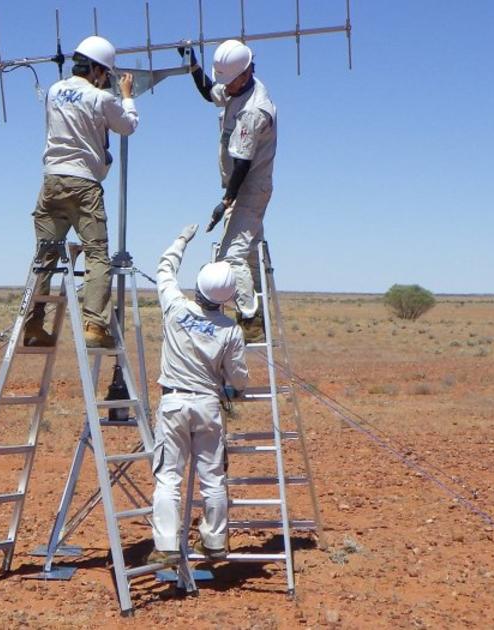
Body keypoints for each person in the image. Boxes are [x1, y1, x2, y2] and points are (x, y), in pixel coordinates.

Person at [24, 36, 137, 349]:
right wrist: (126, 96)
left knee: (45, 255)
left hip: (51, 181)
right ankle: (94, 326)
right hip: (84, 183)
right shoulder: (101, 99)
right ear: (99, 70)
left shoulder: (54, 91)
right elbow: (127, 126)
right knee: (97, 252)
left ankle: (33, 322)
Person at [148, 224, 249, 565]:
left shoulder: (176, 307)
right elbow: (238, 378)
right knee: (212, 477)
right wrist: (230, 386)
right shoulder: (231, 330)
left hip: (174, 401)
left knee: (168, 477)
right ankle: (215, 542)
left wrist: (181, 240)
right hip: (207, 406)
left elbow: (164, 268)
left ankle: (165, 546)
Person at [181, 40, 277, 343]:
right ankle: (256, 317)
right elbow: (210, 92)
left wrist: (226, 201)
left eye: (229, 81)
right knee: (247, 259)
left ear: (245, 74)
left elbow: (243, 164)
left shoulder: (253, 111)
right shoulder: (236, 86)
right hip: (239, 188)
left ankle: (249, 319)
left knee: (230, 259)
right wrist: (193, 65)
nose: (225, 87)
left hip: (249, 189)